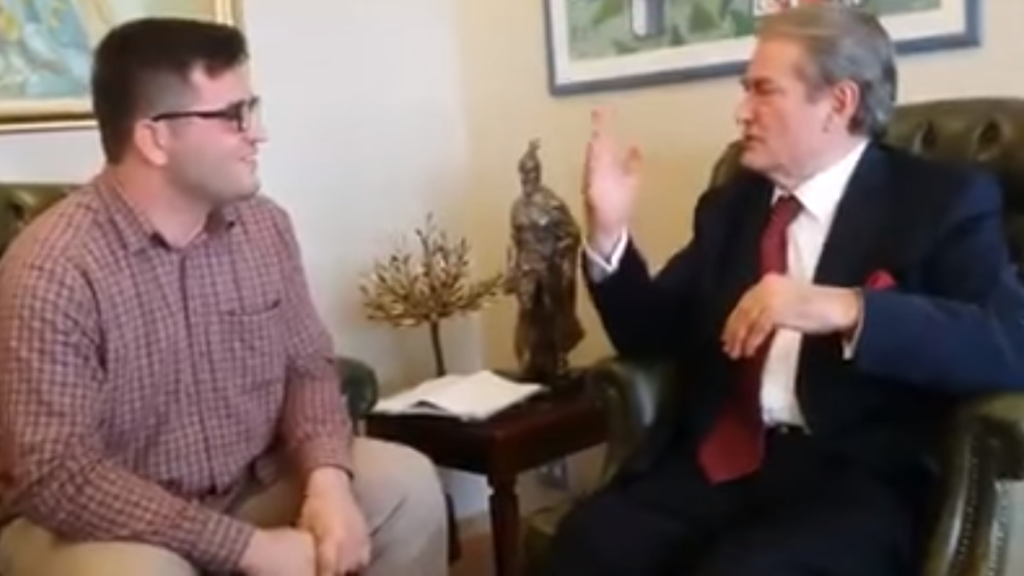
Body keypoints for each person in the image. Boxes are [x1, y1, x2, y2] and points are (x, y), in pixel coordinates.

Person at [540, 4, 1024, 576]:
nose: (742, 111)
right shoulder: (733, 205)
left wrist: (847, 308)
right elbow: (650, 332)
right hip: (717, 463)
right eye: (746, 89)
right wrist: (609, 233)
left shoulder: (937, 201)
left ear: (838, 103)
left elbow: (1006, 346)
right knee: (588, 542)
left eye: (764, 91)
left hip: (855, 480)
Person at [0, 17, 447, 576]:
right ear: (155, 138)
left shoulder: (265, 227)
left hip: (248, 486)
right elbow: (58, 475)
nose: (259, 134)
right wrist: (248, 549)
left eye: (252, 109)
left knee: (406, 486)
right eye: (234, 116)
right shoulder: (52, 270)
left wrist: (328, 483)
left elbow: (308, 369)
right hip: (98, 524)